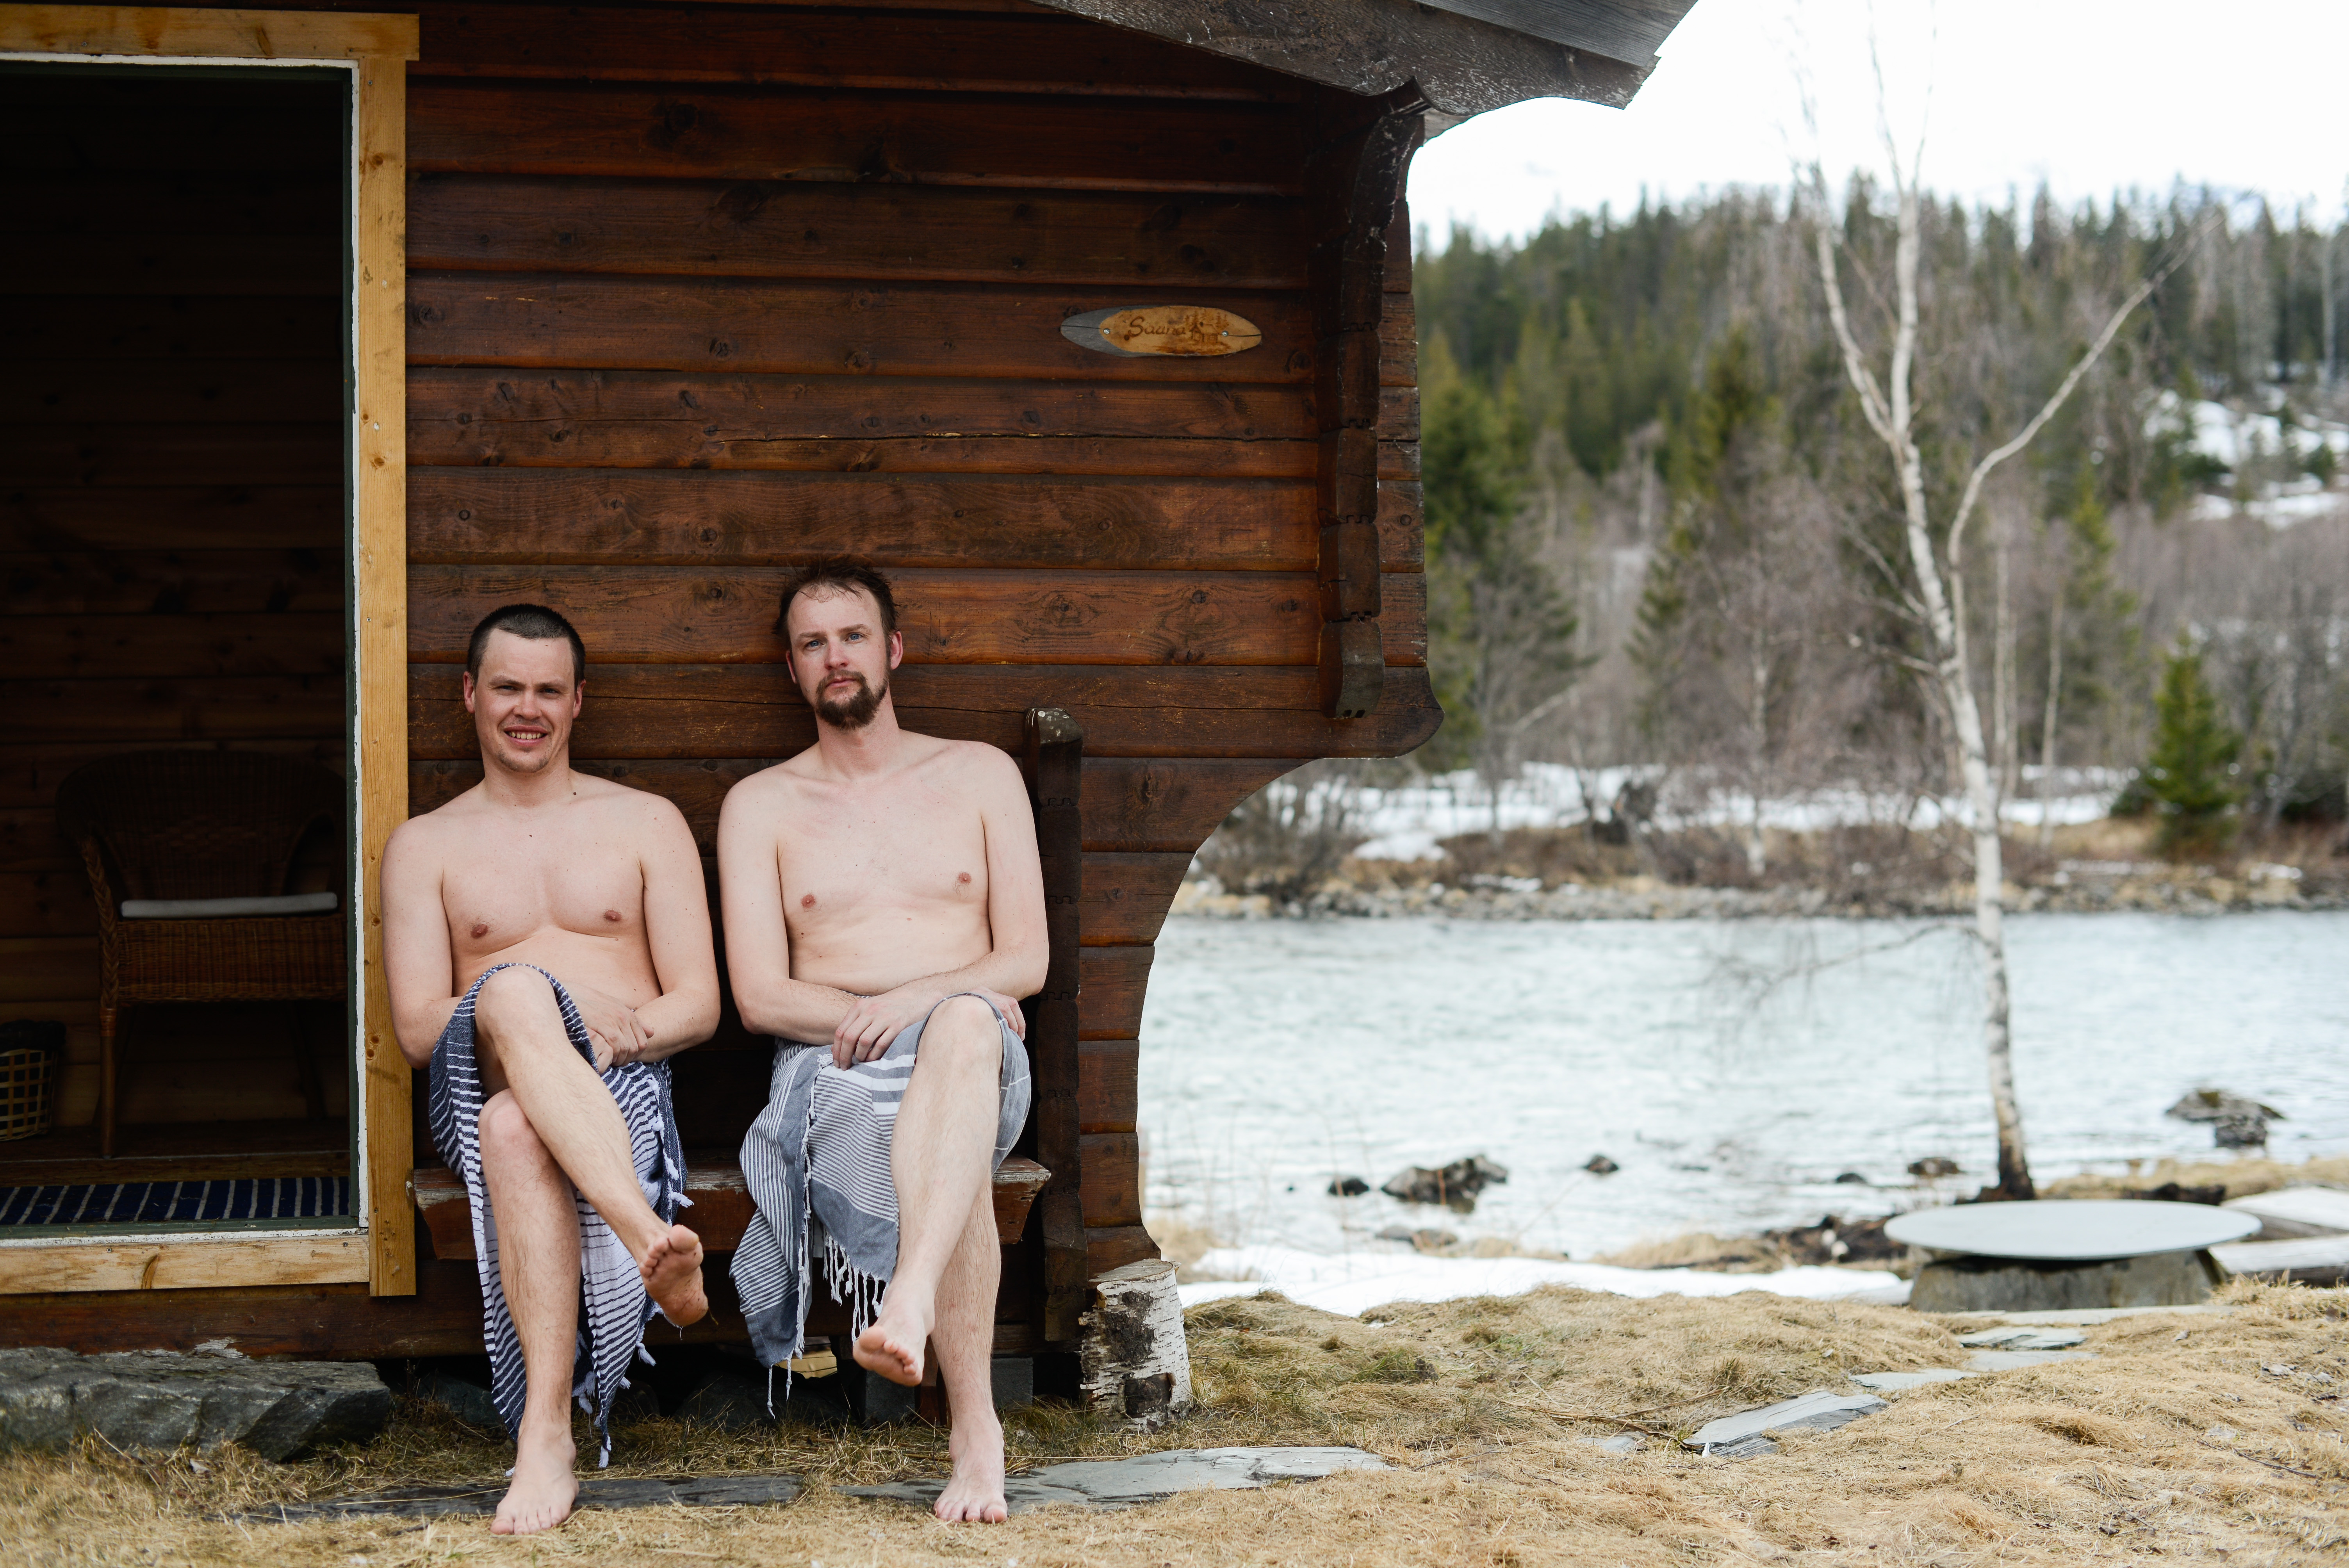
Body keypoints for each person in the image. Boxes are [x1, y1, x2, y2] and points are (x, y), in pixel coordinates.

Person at [382, 604, 720, 1536]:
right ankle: (650, 1236)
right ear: (469, 696)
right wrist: (538, 993)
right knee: (515, 996)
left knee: (516, 1126)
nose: (524, 708)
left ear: (578, 702)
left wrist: (617, 1034)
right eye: (506, 687)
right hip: (473, 1074)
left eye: (546, 690)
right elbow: (417, 1027)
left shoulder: (645, 822)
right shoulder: (424, 846)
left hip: (618, 1086)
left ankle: (544, 1435)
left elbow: (697, 1002)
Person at [720, 560, 1045, 1525]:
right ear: (791, 667)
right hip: (833, 1066)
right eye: (814, 643)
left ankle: (904, 1299)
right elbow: (760, 996)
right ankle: (974, 1430)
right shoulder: (761, 805)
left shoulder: (980, 773)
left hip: (970, 1042)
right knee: (950, 1135)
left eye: (852, 636)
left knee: (962, 1028)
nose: (836, 657)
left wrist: (917, 996)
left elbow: (1022, 957)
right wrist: (905, 1009)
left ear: (891, 649)